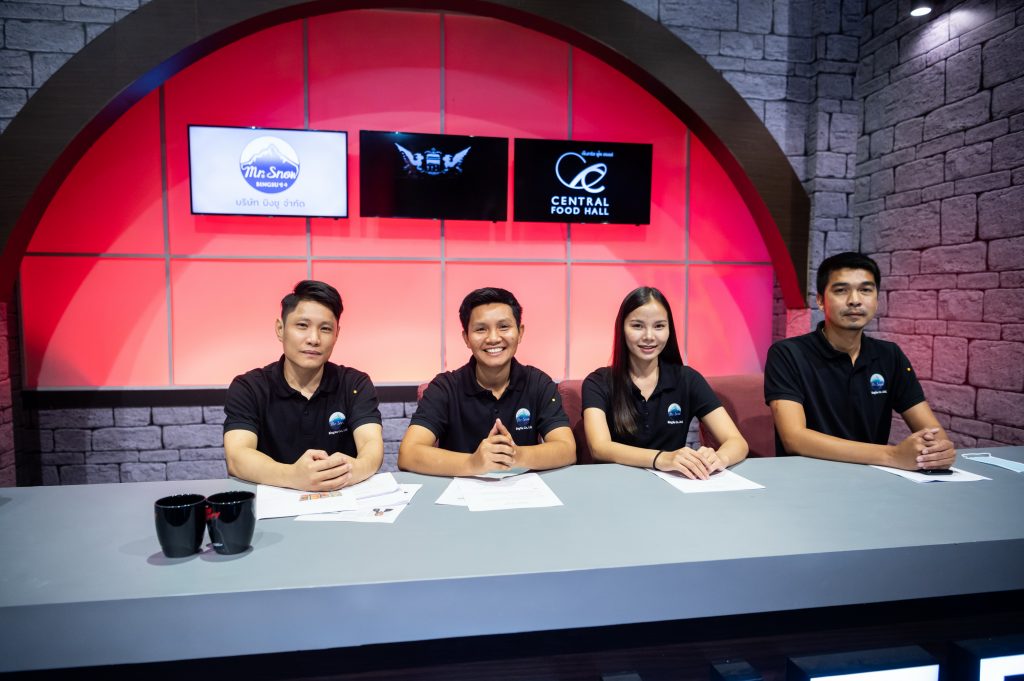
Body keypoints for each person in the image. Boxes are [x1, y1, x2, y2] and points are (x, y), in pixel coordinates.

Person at [764, 251, 955, 470]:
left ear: (877, 300)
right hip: (808, 477)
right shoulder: (788, 353)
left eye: (865, 290)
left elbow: (933, 432)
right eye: (841, 290)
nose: (854, 300)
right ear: (820, 301)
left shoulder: (889, 355)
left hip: (873, 476)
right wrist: (892, 455)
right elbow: (794, 438)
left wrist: (938, 451)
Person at [223, 280, 384, 491]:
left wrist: (352, 470)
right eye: (302, 326)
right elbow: (237, 456)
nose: (314, 339)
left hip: (342, 498)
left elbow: (371, 444)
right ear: (280, 329)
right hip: (274, 502)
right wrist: (292, 476)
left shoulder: (354, 384)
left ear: (337, 334)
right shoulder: (249, 388)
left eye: (325, 329)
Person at [398, 287, 576, 476]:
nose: (493, 338)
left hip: (524, 489)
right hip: (460, 490)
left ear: (520, 332)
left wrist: (515, 455)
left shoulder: (538, 383)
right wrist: (472, 463)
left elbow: (567, 449)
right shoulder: (445, 387)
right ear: (466, 338)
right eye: (481, 329)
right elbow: (408, 454)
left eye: (504, 327)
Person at [582, 287, 748, 479]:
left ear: (669, 330)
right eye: (637, 326)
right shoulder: (598, 382)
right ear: (622, 329)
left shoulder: (687, 379)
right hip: (616, 484)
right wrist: (661, 459)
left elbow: (737, 442)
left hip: (675, 485)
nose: (649, 336)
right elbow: (599, 447)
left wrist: (718, 458)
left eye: (659, 326)